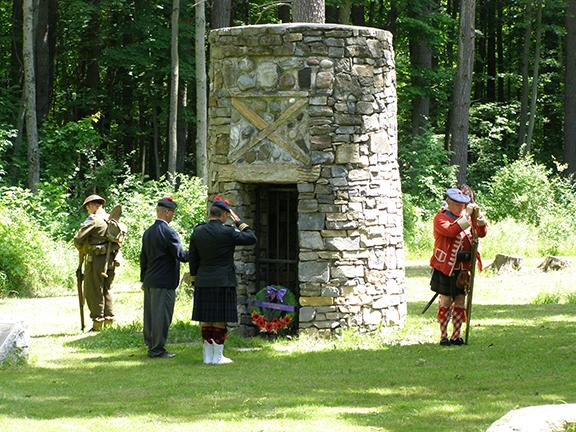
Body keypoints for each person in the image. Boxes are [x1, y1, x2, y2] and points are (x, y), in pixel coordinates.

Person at [189, 196, 257, 365]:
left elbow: (193, 258)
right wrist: (238, 221)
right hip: (223, 280)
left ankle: (207, 356)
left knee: (206, 317)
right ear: (224, 215)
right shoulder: (228, 232)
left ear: (211, 213)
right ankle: (217, 356)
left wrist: (194, 278)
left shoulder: (198, 231)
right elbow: (251, 237)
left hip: (203, 280)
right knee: (219, 318)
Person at [430, 187, 488, 346]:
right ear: (449, 203)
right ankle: (444, 337)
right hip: (446, 267)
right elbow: (452, 231)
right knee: (446, 302)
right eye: (458, 204)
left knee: (460, 302)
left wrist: (481, 223)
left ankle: (456, 336)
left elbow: (480, 234)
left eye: (463, 205)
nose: (461, 207)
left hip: (463, 268)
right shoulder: (441, 218)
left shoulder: (467, 218)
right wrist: (468, 216)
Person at [140, 197, 189, 358]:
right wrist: (197, 252)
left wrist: (143, 279)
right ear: (166, 212)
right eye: (172, 212)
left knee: (150, 316)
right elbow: (181, 255)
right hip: (164, 281)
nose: (173, 215)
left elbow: (143, 259)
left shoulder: (148, 232)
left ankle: (150, 344)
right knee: (162, 316)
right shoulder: (169, 232)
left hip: (150, 280)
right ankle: (157, 349)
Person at [74, 194, 118, 331]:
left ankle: (98, 323)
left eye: (88, 206)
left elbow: (78, 238)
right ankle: (108, 320)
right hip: (110, 259)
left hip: (96, 260)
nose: (87, 209)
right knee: (107, 289)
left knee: (93, 289)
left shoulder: (93, 220)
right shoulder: (111, 219)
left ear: (94, 206)